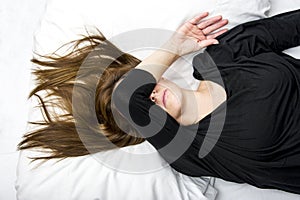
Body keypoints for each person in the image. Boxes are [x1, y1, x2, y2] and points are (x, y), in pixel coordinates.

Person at [19, 10, 300, 194]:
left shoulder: (219, 56)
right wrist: (174, 47)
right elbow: (128, 95)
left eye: (146, 84)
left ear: (155, 74)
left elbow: (288, 27)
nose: (150, 97)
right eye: (144, 106)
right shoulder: (189, 150)